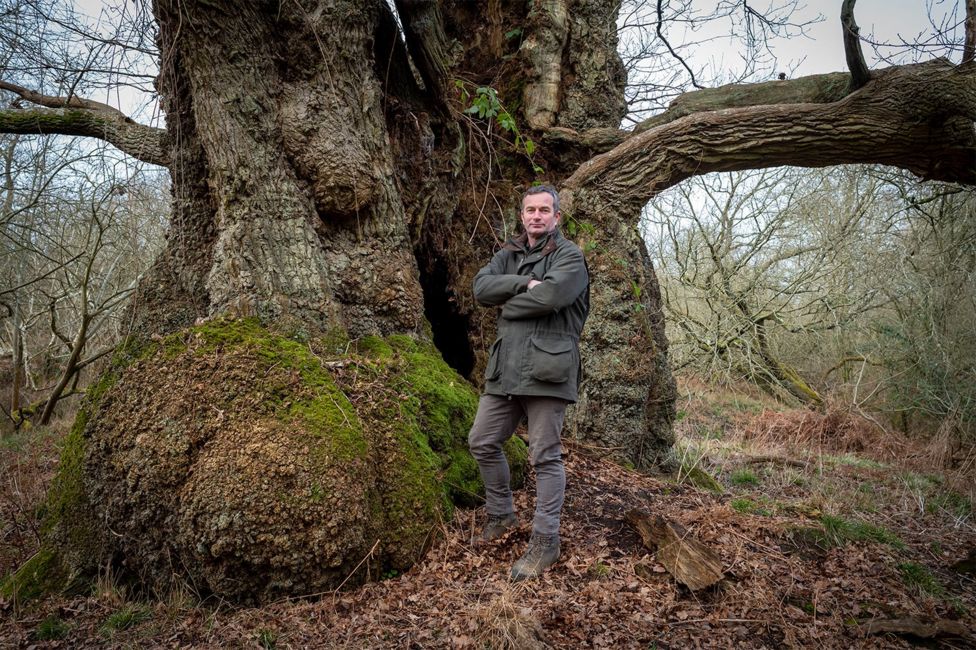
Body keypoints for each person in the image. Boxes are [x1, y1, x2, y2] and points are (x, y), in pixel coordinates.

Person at [468, 184, 590, 581]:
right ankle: (501, 515)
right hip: (506, 371)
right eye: (530, 210)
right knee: (482, 441)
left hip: (547, 373)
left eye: (544, 210)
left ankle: (545, 541)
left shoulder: (569, 255)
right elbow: (480, 288)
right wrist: (522, 284)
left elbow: (552, 297)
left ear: (557, 217)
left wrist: (509, 304)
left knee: (545, 457)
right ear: (521, 216)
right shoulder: (508, 255)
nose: (536, 216)